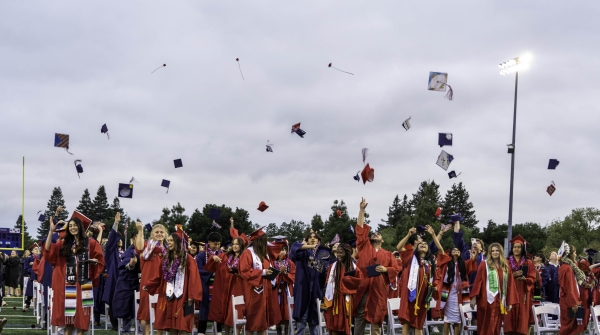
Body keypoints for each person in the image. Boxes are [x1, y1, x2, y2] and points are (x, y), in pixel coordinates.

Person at [44, 207, 105, 335]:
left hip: (83, 283)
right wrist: (51, 232)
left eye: (75, 225)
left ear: (80, 227)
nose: (72, 228)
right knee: (68, 318)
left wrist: (94, 261)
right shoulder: (63, 244)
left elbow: (100, 259)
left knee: (82, 315)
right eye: (70, 225)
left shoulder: (91, 243)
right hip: (68, 284)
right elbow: (48, 251)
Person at [145, 225, 203, 334]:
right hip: (169, 296)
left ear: (178, 242)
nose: (169, 243)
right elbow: (159, 276)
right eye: (169, 241)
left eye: (171, 240)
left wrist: (191, 296)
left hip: (183, 296)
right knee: (170, 324)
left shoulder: (188, 259)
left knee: (182, 325)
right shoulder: (166, 259)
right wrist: (149, 285)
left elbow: (194, 278)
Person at [353, 198, 399, 335]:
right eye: (374, 233)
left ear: (382, 240)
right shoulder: (364, 246)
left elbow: (396, 269)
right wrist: (361, 210)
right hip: (364, 287)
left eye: (379, 234)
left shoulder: (388, 254)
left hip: (378, 289)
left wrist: (386, 269)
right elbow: (360, 229)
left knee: (376, 318)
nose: (376, 233)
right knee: (360, 317)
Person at [396, 225, 443, 335]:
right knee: (406, 321)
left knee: (419, 323)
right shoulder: (410, 257)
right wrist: (409, 235)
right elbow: (399, 248)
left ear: (428, 250)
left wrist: (433, 235)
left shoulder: (430, 262)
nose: (423, 244)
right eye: (421, 243)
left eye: (426, 244)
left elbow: (441, 251)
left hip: (423, 296)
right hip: (409, 294)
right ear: (416, 247)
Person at [239, 227, 281, 334]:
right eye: (264, 241)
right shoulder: (248, 253)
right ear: (258, 241)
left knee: (263, 323)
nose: (266, 243)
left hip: (265, 292)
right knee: (253, 322)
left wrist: (273, 275)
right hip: (253, 292)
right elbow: (244, 271)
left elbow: (269, 269)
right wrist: (263, 272)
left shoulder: (264, 254)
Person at [469, 243, 517, 335]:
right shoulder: (484, 265)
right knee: (486, 325)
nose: (495, 252)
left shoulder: (505, 267)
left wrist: (509, 302)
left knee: (496, 326)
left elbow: (510, 285)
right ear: (490, 252)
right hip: (486, 300)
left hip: (500, 301)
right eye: (493, 251)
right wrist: (474, 297)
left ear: (501, 252)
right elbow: (478, 281)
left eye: (497, 250)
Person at [291, 229, 331, 335]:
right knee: (301, 322)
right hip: (303, 290)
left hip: (316, 292)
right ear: (306, 240)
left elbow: (324, 273)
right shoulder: (302, 252)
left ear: (319, 240)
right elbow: (294, 249)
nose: (312, 238)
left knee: (315, 323)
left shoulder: (323, 254)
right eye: (310, 237)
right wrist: (308, 247)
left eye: (315, 237)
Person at [205, 235, 247, 335]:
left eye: (237, 244)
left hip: (239, 288)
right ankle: (226, 333)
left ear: (241, 245)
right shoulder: (226, 256)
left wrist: (239, 273)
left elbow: (248, 271)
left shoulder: (245, 257)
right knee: (227, 312)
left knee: (237, 311)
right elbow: (212, 263)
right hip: (226, 288)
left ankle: (237, 333)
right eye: (233, 244)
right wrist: (213, 257)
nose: (235, 246)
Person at [432, 244, 476, 335]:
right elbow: (440, 249)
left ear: (460, 253)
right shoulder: (447, 262)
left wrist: (476, 250)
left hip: (459, 293)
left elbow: (473, 261)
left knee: (458, 317)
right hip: (448, 292)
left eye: (458, 250)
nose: (456, 251)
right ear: (451, 252)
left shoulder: (463, 264)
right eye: (454, 250)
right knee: (447, 318)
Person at [135, 221, 168, 335]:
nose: (159, 234)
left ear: (165, 234)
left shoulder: (169, 248)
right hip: (148, 283)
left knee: (161, 311)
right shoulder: (148, 245)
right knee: (145, 312)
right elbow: (139, 247)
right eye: (156, 232)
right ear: (152, 234)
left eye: (161, 232)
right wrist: (140, 231)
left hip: (163, 283)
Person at [324, 243, 361, 335]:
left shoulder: (354, 268)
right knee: (334, 326)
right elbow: (327, 282)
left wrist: (348, 282)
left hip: (346, 300)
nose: (338, 255)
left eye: (341, 253)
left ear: (347, 254)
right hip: (334, 300)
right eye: (337, 252)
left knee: (345, 326)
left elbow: (360, 283)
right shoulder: (333, 267)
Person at [503, 235, 537, 335]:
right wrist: (512, 275)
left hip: (523, 293)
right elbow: (501, 277)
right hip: (510, 293)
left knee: (522, 320)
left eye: (518, 247)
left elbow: (533, 278)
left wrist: (525, 279)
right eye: (514, 247)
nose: (516, 249)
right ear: (512, 248)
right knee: (509, 319)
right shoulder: (506, 262)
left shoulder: (528, 262)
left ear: (522, 249)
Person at [112, 230, 141, 335]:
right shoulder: (129, 251)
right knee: (126, 309)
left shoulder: (145, 249)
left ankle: (140, 332)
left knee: (140, 309)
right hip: (127, 283)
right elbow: (126, 265)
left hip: (140, 284)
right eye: (138, 237)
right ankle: (126, 332)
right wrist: (131, 265)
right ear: (133, 240)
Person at [196, 231, 224, 335]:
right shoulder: (201, 255)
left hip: (218, 285)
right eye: (214, 243)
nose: (216, 246)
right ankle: (201, 330)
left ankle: (219, 329)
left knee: (218, 305)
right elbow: (197, 270)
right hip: (205, 285)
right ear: (209, 242)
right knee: (204, 306)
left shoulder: (222, 254)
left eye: (218, 244)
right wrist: (211, 273)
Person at [557, 242, 586, 335]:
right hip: (568, 302)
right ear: (569, 254)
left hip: (567, 300)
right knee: (568, 328)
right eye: (574, 252)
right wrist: (574, 303)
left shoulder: (566, 266)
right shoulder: (567, 268)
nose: (576, 254)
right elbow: (569, 287)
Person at [101, 213, 123, 331]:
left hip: (122, 280)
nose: (119, 241)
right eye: (117, 239)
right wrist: (116, 223)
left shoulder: (123, 253)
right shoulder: (110, 252)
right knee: (112, 301)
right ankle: (115, 325)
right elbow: (110, 241)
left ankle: (124, 323)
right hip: (113, 280)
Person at [271, 239, 296, 335]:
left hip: (286, 290)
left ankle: (286, 331)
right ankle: (278, 332)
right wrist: (279, 274)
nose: (282, 252)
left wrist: (285, 273)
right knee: (276, 312)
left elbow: (293, 275)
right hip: (276, 290)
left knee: (286, 312)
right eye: (280, 249)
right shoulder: (272, 262)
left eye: (284, 249)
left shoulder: (290, 263)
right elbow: (270, 276)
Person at [23, 245, 40, 311]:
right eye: (35, 249)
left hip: (40, 276)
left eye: (38, 249)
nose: (37, 250)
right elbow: (25, 268)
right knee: (30, 291)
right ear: (32, 251)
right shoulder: (29, 258)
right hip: (32, 276)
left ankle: (39, 305)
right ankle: (28, 303)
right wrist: (33, 269)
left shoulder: (41, 258)